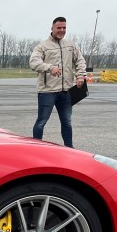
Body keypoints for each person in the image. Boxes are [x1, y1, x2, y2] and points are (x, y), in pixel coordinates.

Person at [28, 17, 86, 148]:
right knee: (41, 121)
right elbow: (33, 62)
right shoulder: (42, 46)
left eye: (64, 28)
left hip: (65, 92)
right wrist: (50, 68)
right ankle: (35, 148)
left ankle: (69, 149)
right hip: (47, 92)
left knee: (67, 122)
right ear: (52, 28)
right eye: (59, 28)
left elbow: (80, 61)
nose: (62, 30)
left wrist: (81, 75)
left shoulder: (71, 45)